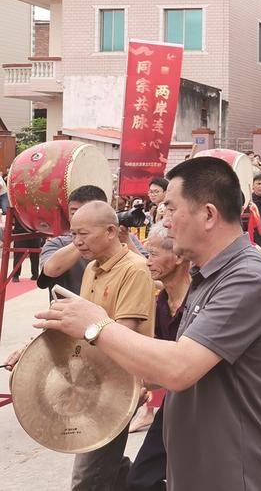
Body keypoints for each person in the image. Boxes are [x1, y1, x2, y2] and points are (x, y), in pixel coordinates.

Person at [34, 156, 261, 491]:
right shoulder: (208, 276)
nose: (163, 221)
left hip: (236, 473)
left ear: (208, 214)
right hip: (199, 468)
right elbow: (185, 365)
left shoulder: (247, 278)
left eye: (170, 208)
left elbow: (179, 368)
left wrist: (97, 325)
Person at [69, 202, 157, 489]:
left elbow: (122, 333)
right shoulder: (91, 268)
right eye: (73, 234)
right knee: (107, 464)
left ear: (110, 231)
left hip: (117, 385)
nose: (77, 241)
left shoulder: (134, 269)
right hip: (92, 382)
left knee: (88, 477)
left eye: (83, 234)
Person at [126, 223, 191, 491]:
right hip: (176, 403)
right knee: (140, 480)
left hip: (209, 406)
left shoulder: (204, 299)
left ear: (178, 257)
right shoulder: (160, 303)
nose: (147, 261)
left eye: (153, 254)